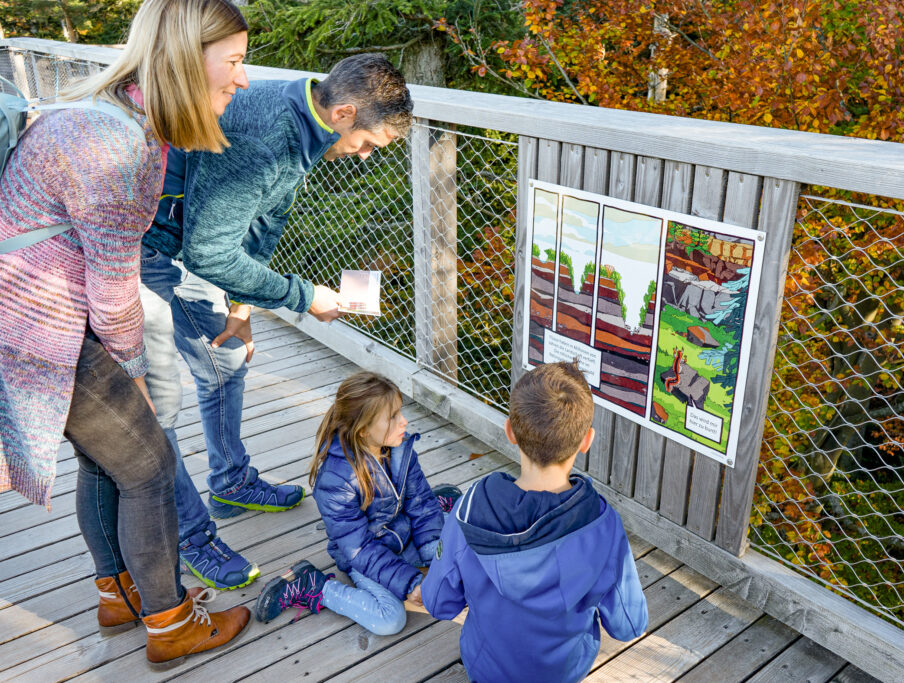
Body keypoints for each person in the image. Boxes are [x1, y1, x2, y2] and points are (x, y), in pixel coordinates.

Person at [0, 0, 252, 669]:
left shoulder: (117, 115)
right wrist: (135, 374)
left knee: (105, 459)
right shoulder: (115, 145)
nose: (243, 78)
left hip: (29, 314)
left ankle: (118, 595)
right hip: (42, 325)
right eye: (233, 62)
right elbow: (114, 296)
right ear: (186, 60)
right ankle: (170, 623)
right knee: (150, 467)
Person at [139, 54, 414, 590]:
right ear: (344, 113)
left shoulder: (306, 112)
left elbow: (267, 219)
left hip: (191, 244)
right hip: (144, 249)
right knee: (156, 407)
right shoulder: (267, 137)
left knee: (226, 359)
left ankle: (230, 482)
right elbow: (210, 253)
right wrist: (304, 297)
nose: (363, 156)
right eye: (367, 143)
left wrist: (242, 307)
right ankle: (191, 535)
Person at [421, 362, 649, 682]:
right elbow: (629, 625)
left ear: (510, 431)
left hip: (487, 670)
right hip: (566, 672)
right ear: (586, 441)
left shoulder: (469, 512)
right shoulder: (603, 524)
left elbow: (438, 602)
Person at [252, 371, 460, 635]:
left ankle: (440, 506)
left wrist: (435, 556)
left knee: (459, 534)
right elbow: (359, 548)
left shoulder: (400, 448)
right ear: (363, 430)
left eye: (400, 412)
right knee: (389, 620)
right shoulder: (336, 481)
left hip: (401, 533)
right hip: (362, 554)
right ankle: (314, 586)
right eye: (393, 417)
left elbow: (421, 504)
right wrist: (410, 583)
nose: (404, 421)